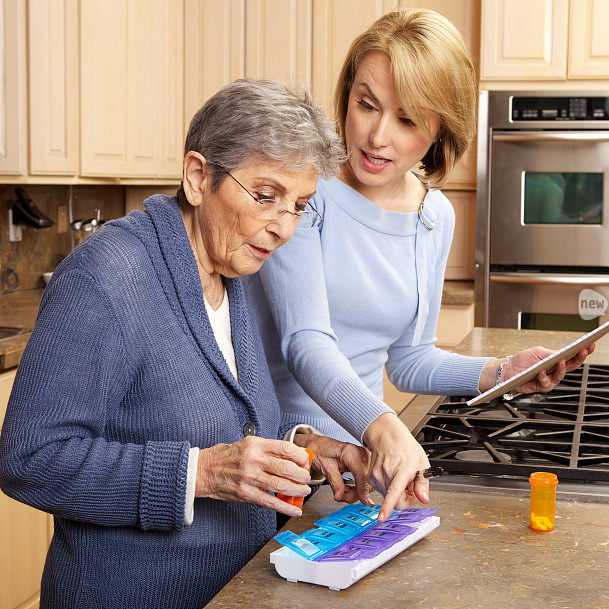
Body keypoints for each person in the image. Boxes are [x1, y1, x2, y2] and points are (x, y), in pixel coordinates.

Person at [0, 79, 369, 609]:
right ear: (198, 177)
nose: (284, 227)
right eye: (266, 197)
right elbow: (29, 459)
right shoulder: (110, 275)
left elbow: (217, 426)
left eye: (300, 205)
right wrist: (197, 474)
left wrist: (308, 450)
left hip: (235, 589)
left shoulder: (229, 270)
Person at [247, 8, 594, 523]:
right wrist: (385, 427)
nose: (376, 135)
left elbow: (408, 359)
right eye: (366, 105)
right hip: (281, 457)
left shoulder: (434, 217)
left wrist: (500, 373)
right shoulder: (305, 190)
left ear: (439, 129)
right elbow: (306, 343)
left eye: (407, 119)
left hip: (358, 471)